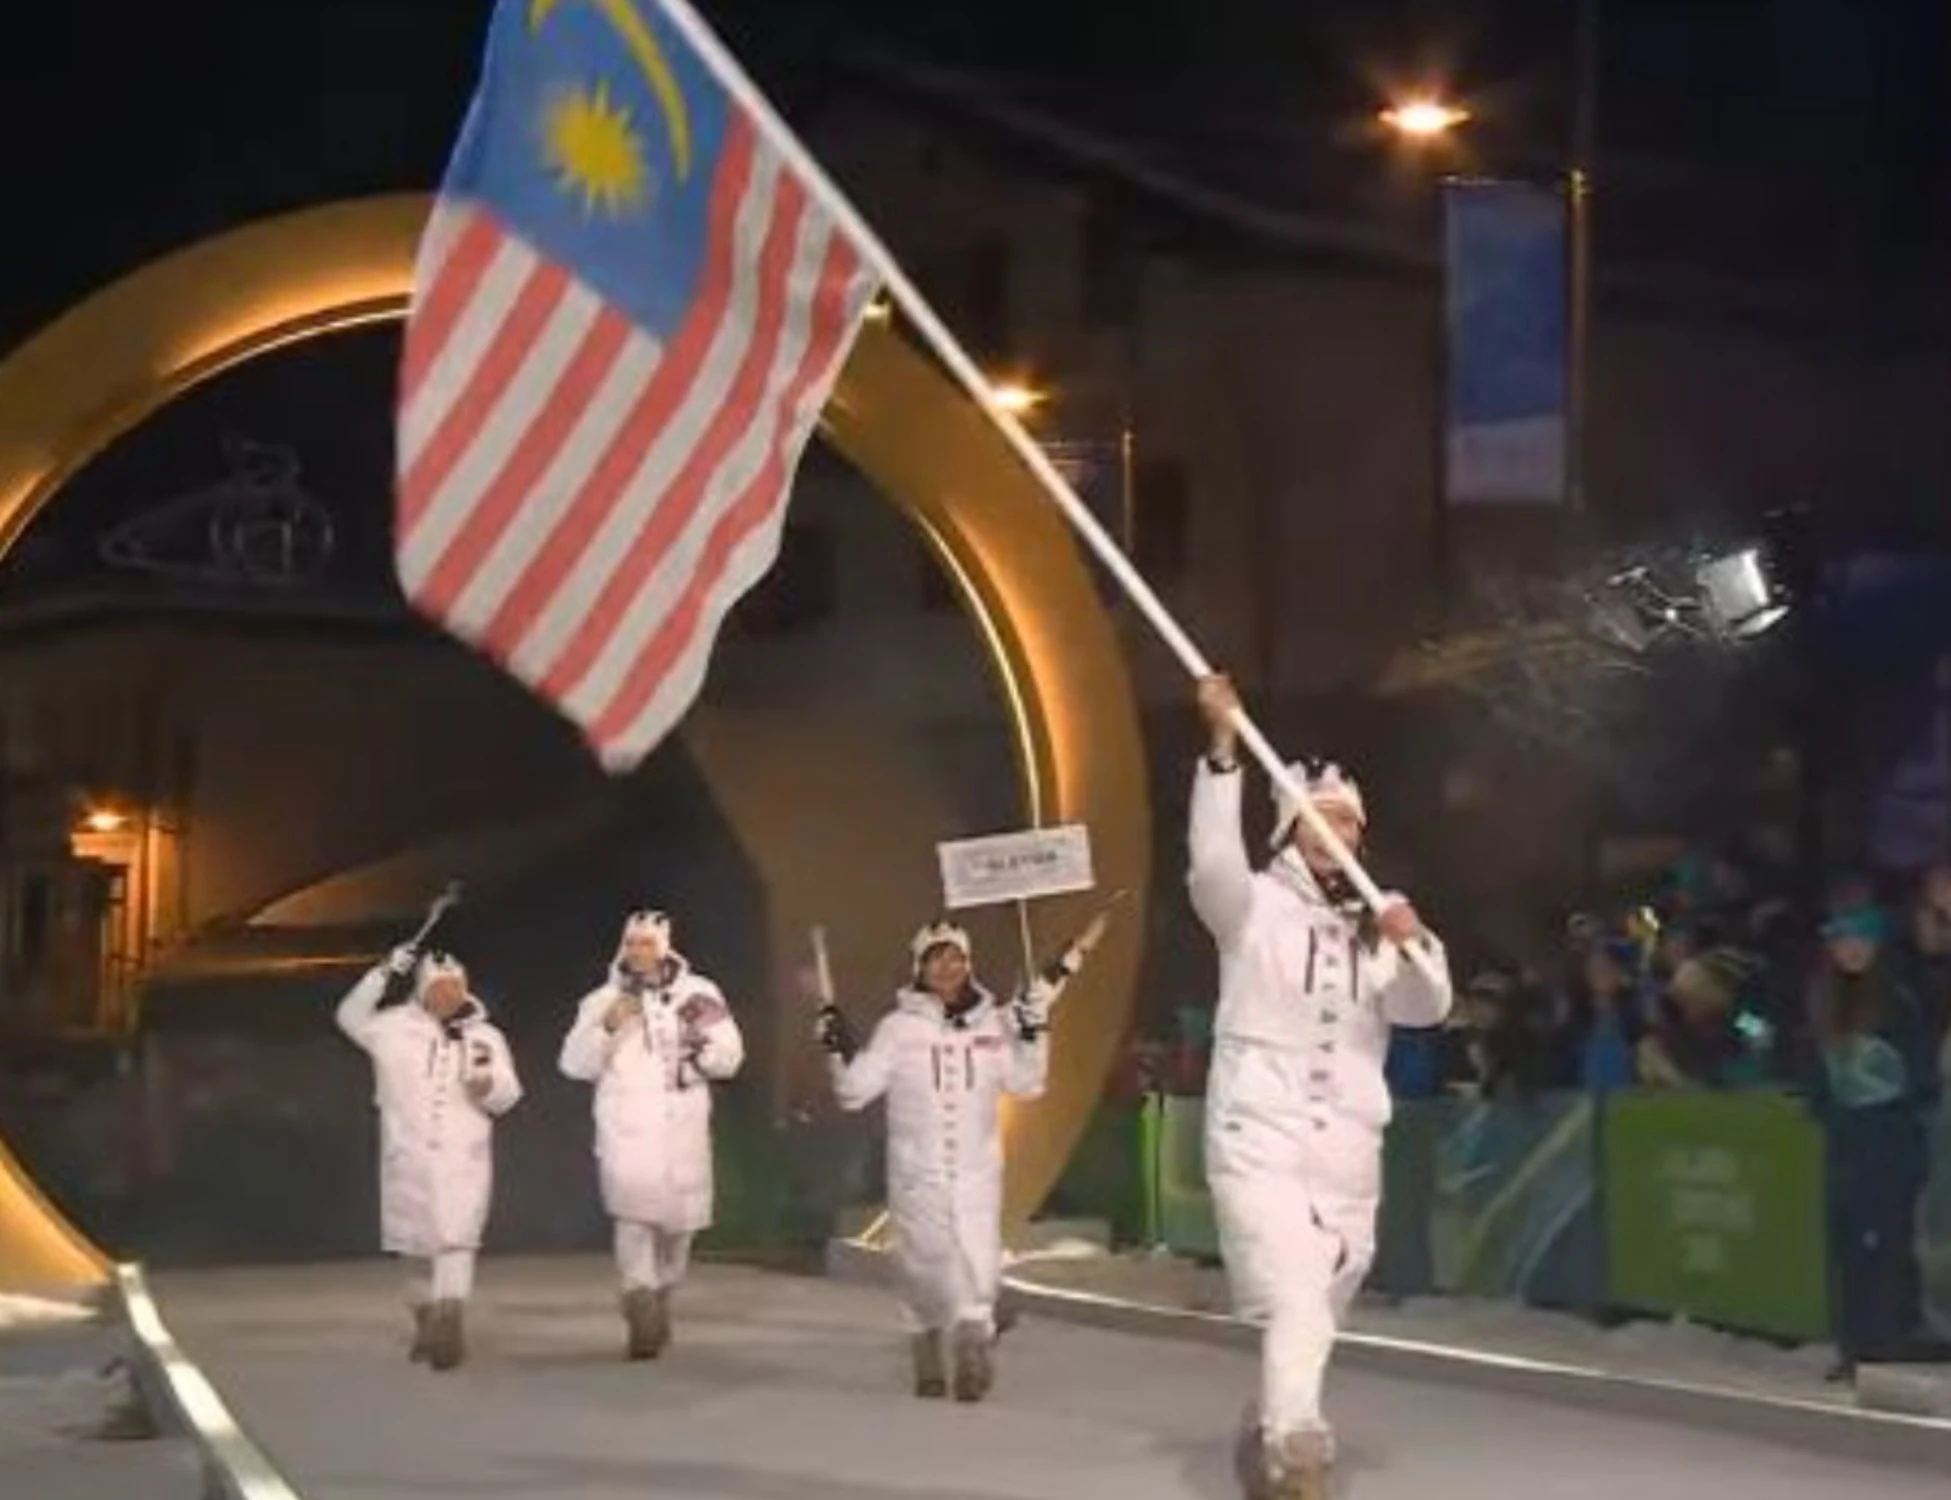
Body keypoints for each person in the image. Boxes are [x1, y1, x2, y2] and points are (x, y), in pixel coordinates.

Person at [1190, 674, 1454, 1500]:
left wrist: (1412, 944)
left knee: (1321, 1300)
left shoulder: (1375, 922)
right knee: (1297, 1286)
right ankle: (1298, 1446)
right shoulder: (1253, 909)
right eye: (1321, 819)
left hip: (1345, 1150)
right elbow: (1210, 864)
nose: (1336, 833)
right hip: (1258, 1134)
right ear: (1290, 828)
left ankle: (1269, 1419)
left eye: (1349, 822)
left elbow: (1425, 1007)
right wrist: (1223, 748)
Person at [816, 907, 1112, 1402]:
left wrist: (1036, 1033)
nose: (947, 968)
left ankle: (974, 1340)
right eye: (936, 960)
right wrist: (837, 1047)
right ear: (919, 968)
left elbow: (1028, 1083)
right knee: (925, 1264)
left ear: (968, 963)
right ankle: (927, 1337)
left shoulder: (993, 1025)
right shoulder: (898, 1029)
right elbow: (854, 1091)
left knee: (978, 1262)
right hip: (917, 1173)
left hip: (976, 1171)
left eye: (955, 958)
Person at [559, 910, 745, 1360]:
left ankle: (660, 1293)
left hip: (683, 1132)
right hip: (628, 1132)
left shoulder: (699, 996)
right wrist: (607, 1025)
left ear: (664, 948)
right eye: (632, 944)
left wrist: (700, 1055)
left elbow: (731, 1057)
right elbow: (573, 1064)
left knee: (678, 1233)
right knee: (634, 1219)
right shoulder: (600, 1000)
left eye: (647, 944)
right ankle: (639, 1300)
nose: (638, 952)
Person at [335, 944, 523, 1371]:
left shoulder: (484, 1037)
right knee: (417, 1249)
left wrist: (486, 1086)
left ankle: (449, 1322)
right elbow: (348, 1017)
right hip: (409, 1158)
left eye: (456, 987)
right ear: (422, 990)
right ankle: (427, 1317)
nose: (449, 995)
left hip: (463, 1158)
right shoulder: (391, 1030)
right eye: (440, 987)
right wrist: (381, 973)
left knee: (458, 1240)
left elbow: (508, 1095)